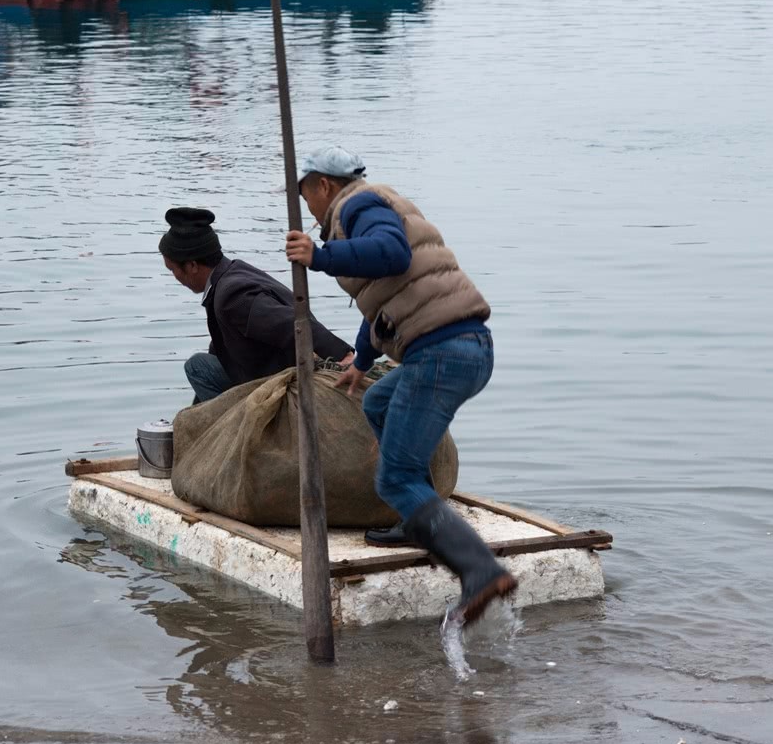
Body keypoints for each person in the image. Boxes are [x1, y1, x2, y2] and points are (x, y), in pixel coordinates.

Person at [283, 147, 515, 628]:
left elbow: (392, 253)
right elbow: (389, 301)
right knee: (378, 398)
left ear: (323, 185)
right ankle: (419, 523)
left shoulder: (357, 206)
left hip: (441, 353)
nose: (306, 207)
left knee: (394, 477)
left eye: (304, 193)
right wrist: (362, 360)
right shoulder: (374, 204)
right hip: (464, 347)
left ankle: (480, 570)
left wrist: (320, 256)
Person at [160, 207, 352, 404]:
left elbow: (289, 323)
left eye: (173, 270)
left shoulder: (233, 296)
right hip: (260, 366)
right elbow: (223, 345)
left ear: (192, 266)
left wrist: (341, 354)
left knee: (197, 366)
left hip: (275, 376)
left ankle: (231, 430)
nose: (175, 278)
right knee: (206, 365)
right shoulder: (232, 272)